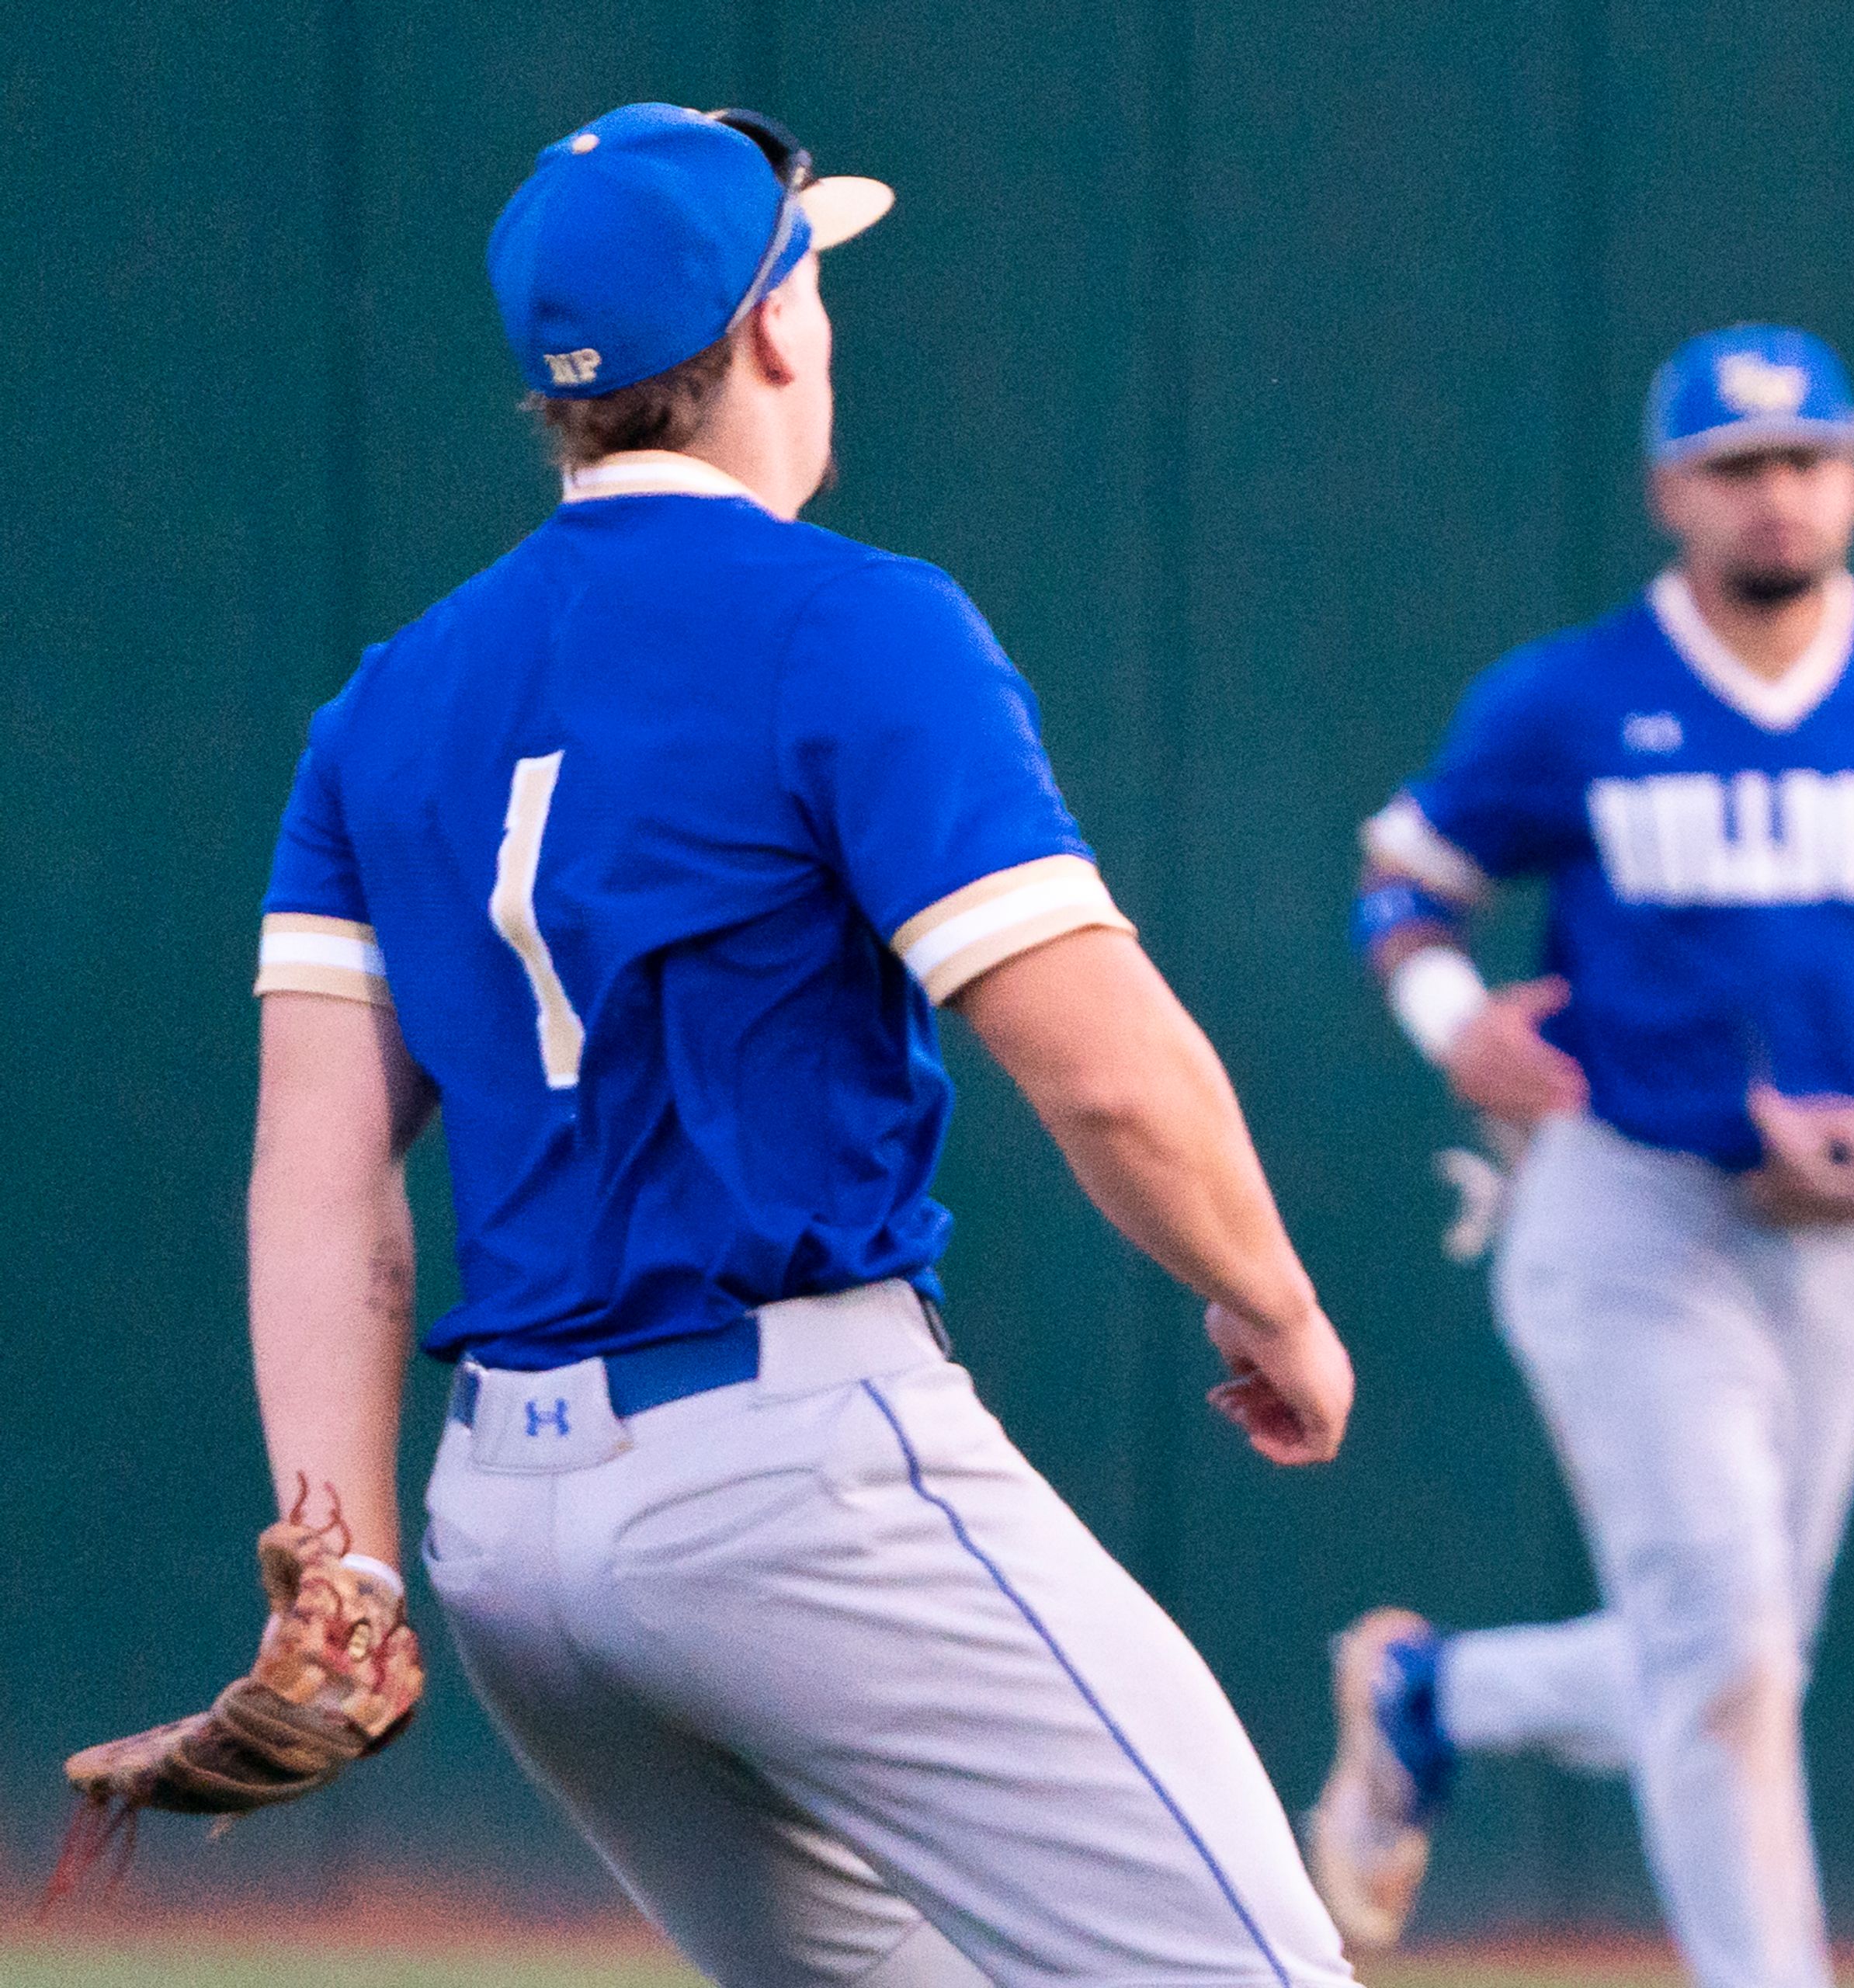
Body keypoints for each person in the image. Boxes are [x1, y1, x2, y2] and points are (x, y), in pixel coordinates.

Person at [244, 103, 1356, 1988]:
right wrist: (1269, 1293)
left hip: (505, 1536)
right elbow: (1101, 1062)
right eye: (815, 274)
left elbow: (319, 1174)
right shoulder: (853, 624)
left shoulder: (384, 704)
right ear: (770, 326)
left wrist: (336, 1555)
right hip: (788, 1467)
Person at [1303, 325, 1854, 1988]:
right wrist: (1453, 1019)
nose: (1777, 493)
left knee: (1737, 1655)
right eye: (1739, 466)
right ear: (1674, 490)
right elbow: (1403, 880)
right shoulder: (1574, 693)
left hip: (1845, 1213)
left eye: (1807, 458)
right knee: (1726, 1650)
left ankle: (1434, 1696)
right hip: (1628, 1193)